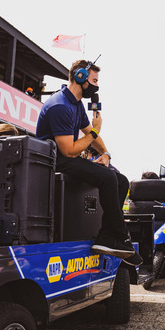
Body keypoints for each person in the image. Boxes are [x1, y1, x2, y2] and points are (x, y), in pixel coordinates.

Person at [36, 59, 142, 266]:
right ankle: (121, 236)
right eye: (93, 80)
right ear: (80, 77)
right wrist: (95, 130)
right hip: (54, 161)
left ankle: (106, 236)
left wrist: (106, 153)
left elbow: (89, 134)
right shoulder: (60, 105)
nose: (96, 86)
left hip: (67, 158)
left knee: (121, 180)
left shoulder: (75, 105)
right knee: (108, 177)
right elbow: (68, 150)